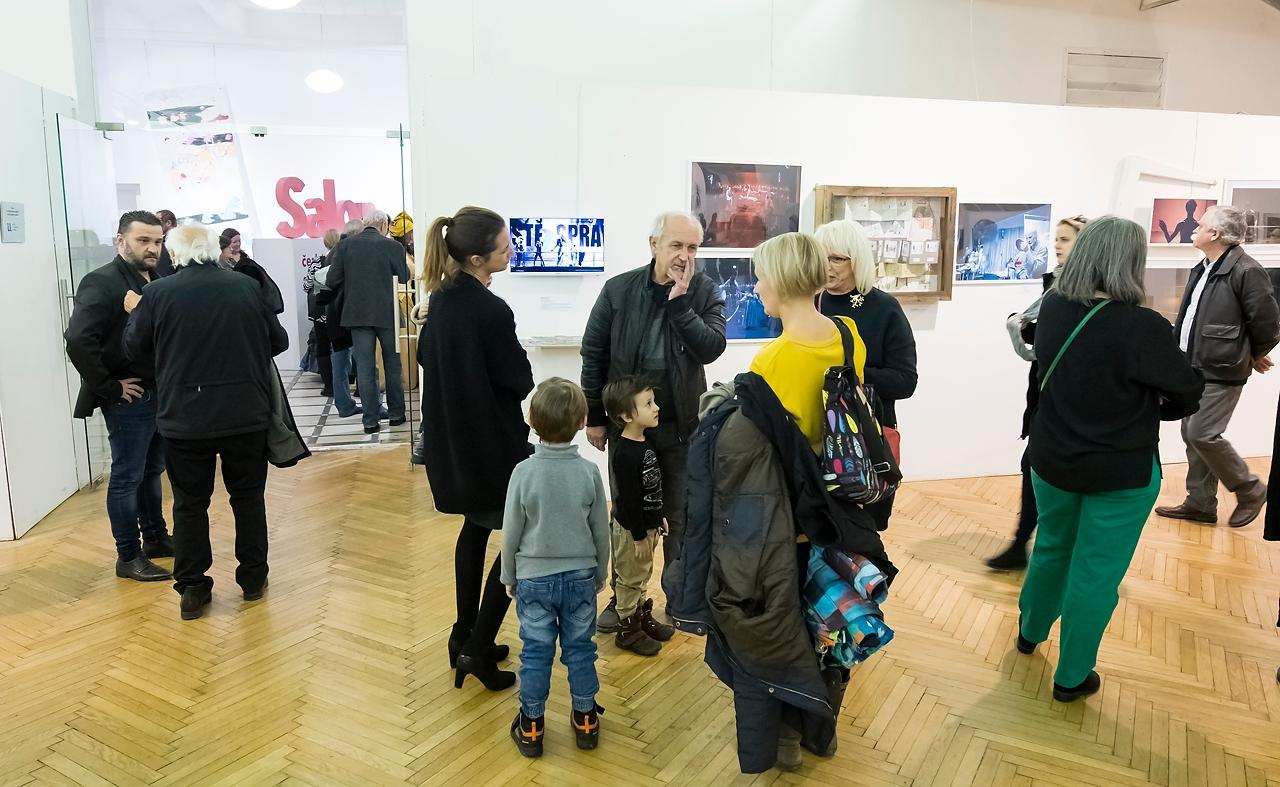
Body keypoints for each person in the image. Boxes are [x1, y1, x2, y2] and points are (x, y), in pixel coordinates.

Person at [668, 232, 893, 773]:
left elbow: (757, 454)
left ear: (784, 281)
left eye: (762, 276)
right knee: (822, 621)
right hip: (837, 507)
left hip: (786, 512)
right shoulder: (848, 335)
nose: (757, 285)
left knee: (780, 621)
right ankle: (819, 725)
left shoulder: (777, 358)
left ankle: (787, 730)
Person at [1017, 216, 1203, 702]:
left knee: (1053, 547)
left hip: (1053, 460)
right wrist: (1152, 408)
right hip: (1119, 472)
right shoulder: (1144, 327)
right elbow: (1187, 392)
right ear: (1130, 263)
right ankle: (1072, 676)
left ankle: (1029, 633)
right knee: (1096, 572)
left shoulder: (1054, 306)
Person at [123, 225, 290, 620]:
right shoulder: (246, 288)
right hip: (244, 414)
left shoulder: (157, 294)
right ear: (214, 250)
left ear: (175, 255)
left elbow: (134, 349)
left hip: (184, 417)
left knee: (190, 504)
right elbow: (278, 341)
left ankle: (193, 587)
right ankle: (252, 579)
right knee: (248, 499)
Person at [582, 211, 726, 632]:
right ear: (654, 245)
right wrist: (594, 416)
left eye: (692, 248)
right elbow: (594, 355)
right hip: (627, 431)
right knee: (629, 518)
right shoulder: (618, 290)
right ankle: (627, 601)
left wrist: (680, 303)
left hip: (681, 429)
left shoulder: (703, 292)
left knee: (680, 518)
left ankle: (679, 600)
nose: (684, 255)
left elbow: (711, 348)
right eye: (676, 246)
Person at [419, 206, 532, 691]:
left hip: (452, 443)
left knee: (473, 530)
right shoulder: (490, 310)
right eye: (504, 247)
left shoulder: (441, 301)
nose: (511, 251)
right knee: (518, 544)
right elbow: (519, 378)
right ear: (476, 258)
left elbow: (428, 358)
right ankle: (477, 648)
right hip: (491, 446)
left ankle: (462, 633)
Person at [501, 378, 610, 758]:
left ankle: (531, 726)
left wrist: (508, 576)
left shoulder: (522, 473)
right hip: (581, 577)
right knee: (581, 649)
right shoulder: (588, 473)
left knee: (535, 652)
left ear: (530, 420)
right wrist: (601, 572)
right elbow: (601, 529)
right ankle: (585, 719)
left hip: (533, 580)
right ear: (583, 422)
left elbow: (512, 530)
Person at [64, 210, 174, 582]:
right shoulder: (102, 282)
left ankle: (155, 537)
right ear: (120, 240)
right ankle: (128, 556)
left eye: (157, 241)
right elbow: (78, 340)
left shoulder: (158, 278)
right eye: (143, 240)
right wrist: (109, 386)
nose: (152, 248)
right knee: (127, 475)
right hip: (129, 395)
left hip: (157, 390)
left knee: (151, 470)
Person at [1156, 205, 1280, 528]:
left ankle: (1250, 489)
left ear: (1216, 235)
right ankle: (1200, 503)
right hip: (1193, 365)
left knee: (1202, 433)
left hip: (1221, 368)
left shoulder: (1247, 270)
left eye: (1200, 225)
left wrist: (1251, 352)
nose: (1194, 229)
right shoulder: (1204, 266)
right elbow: (1191, 317)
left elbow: (1268, 324)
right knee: (1190, 432)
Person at [987, 215, 1089, 570]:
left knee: (1038, 465)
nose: (1058, 245)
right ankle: (1027, 543)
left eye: (1066, 239)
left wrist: (1028, 336)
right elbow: (1037, 334)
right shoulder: (1056, 285)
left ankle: (1043, 545)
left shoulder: (1082, 292)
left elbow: (1040, 336)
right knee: (1034, 464)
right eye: (1056, 238)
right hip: (1046, 390)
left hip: (1069, 394)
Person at [815, 219, 918, 531]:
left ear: (857, 259)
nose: (828, 267)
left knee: (865, 531)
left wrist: (853, 375)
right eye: (822, 257)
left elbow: (905, 381)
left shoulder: (884, 308)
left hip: (867, 438)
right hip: (818, 435)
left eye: (837, 259)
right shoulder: (811, 302)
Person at [603, 376, 676, 656]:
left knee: (642, 574)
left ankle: (641, 617)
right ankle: (627, 628)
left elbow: (652, 487)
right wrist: (638, 536)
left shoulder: (646, 442)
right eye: (648, 404)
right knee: (630, 578)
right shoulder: (624, 453)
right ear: (625, 415)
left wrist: (658, 518)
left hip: (648, 527)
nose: (656, 407)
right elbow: (629, 500)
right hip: (632, 530)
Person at [326, 211, 411, 435]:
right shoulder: (393, 247)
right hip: (387, 314)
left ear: (365, 224)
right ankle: (396, 414)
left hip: (357, 315)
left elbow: (332, 279)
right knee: (393, 365)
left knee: (364, 368)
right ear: (384, 224)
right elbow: (403, 277)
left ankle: (370, 420)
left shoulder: (346, 246)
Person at [303, 229, 341, 396]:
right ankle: (343, 385)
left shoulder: (317, 262)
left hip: (319, 311)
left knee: (323, 347)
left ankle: (328, 386)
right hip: (337, 309)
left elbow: (306, 286)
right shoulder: (341, 260)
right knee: (342, 347)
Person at [219, 228, 284, 315]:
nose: (238, 244)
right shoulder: (221, 262)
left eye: (239, 241)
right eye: (234, 242)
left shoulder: (245, 257)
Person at [155, 209, 177, 277]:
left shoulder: (182, 241)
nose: (154, 224)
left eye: (157, 221)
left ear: (168, 223)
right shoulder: (161, 242)